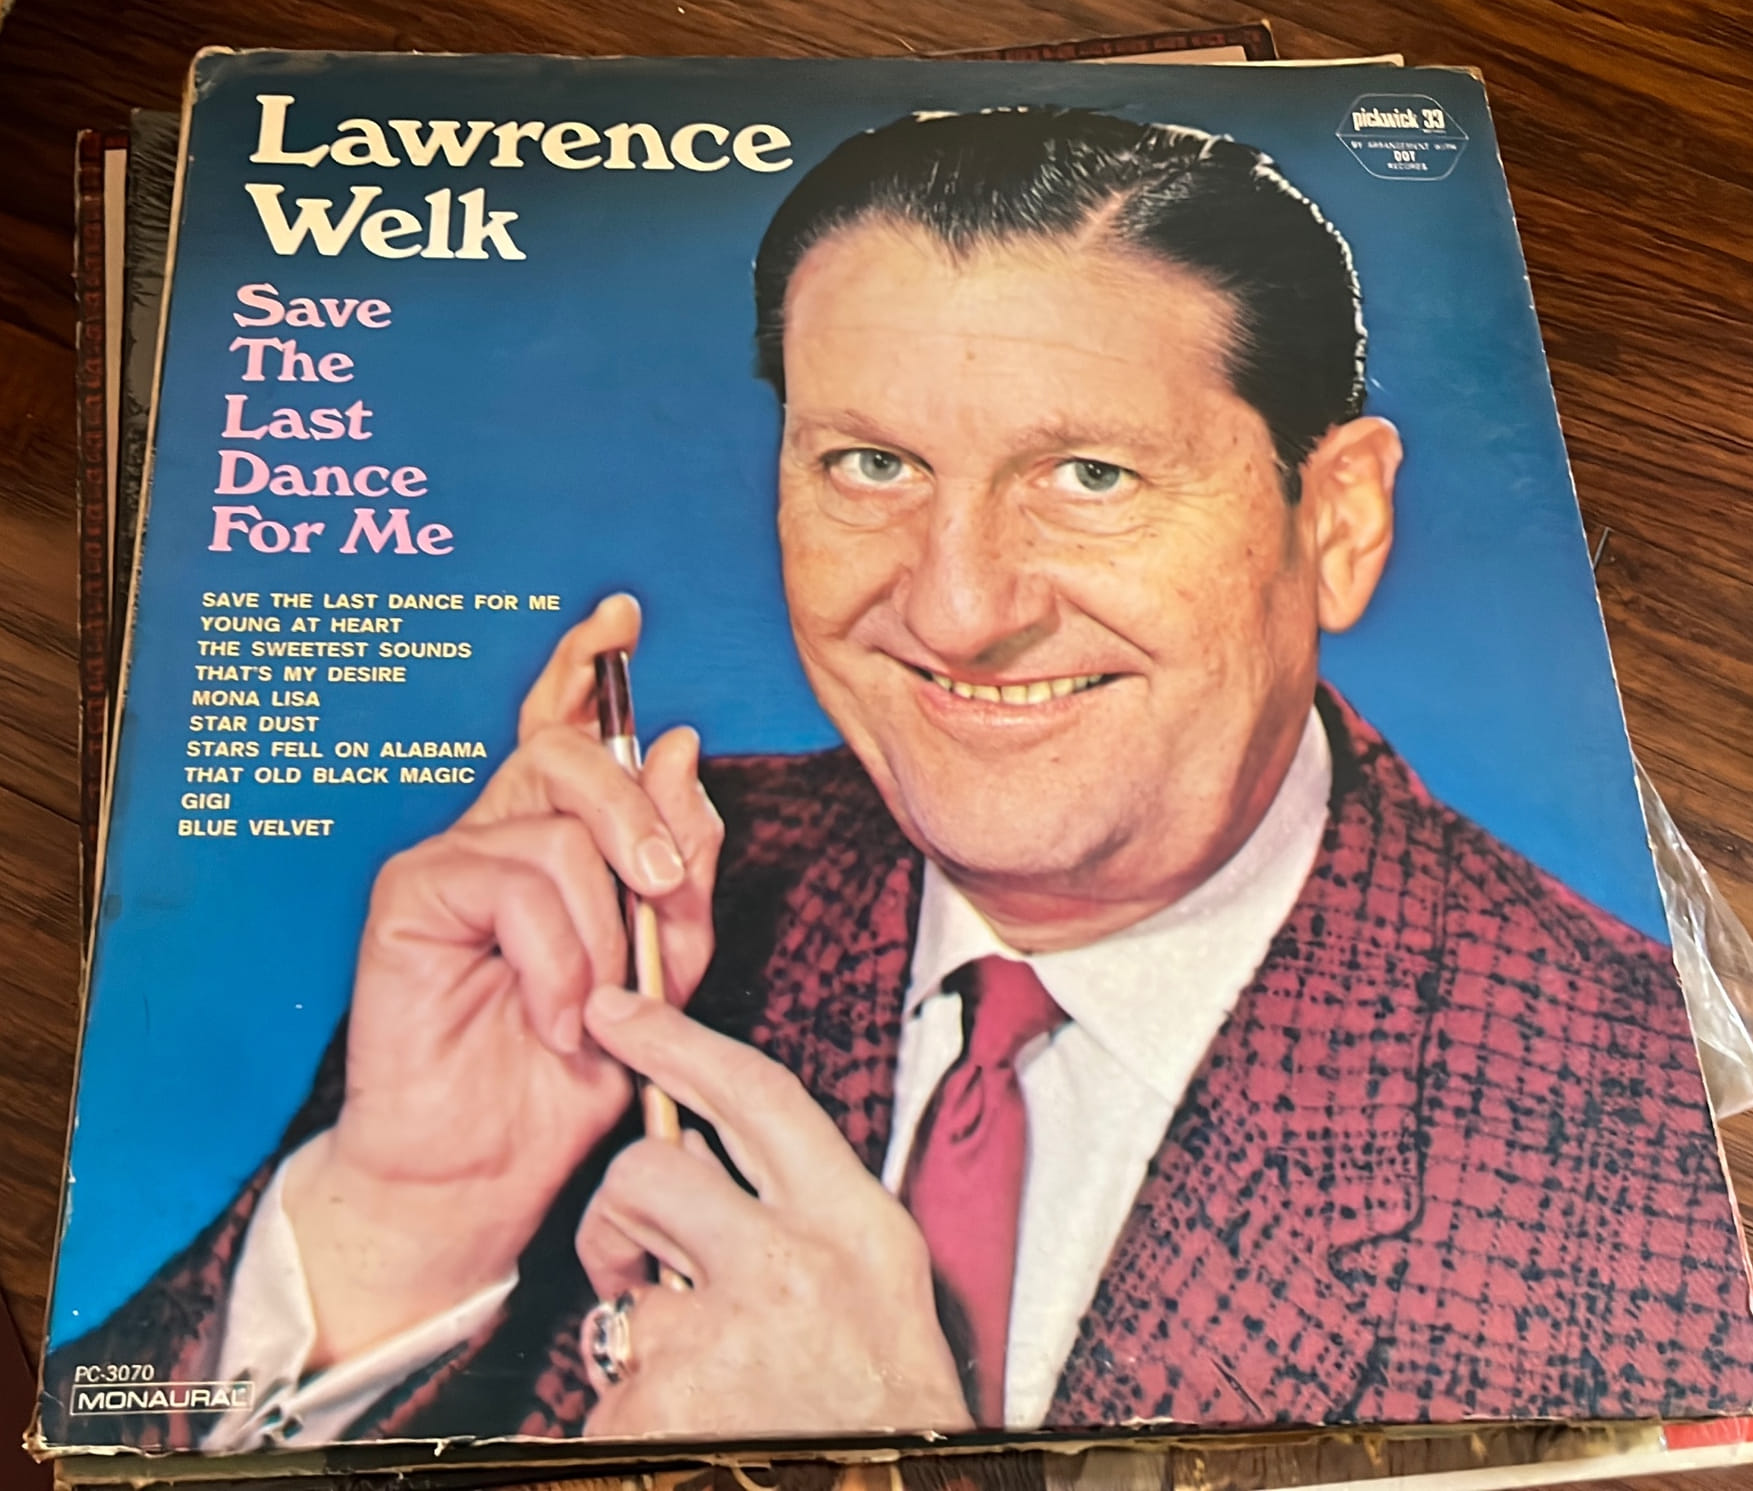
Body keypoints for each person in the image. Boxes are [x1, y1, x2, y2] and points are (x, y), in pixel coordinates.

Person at [49, 108, 1753, 1451]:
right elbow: (112, 1440)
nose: (954, 611)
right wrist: (396, 1225)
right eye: (870, 463)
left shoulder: (1645, 1152)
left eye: (1088, 475)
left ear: (1339, 520)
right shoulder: (608, 932)